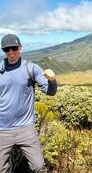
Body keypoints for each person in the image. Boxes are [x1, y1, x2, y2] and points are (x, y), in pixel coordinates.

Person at [0, 34, 57, 173]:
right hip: (2, 129)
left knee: (38, 167)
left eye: (14, 48)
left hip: (26, 128)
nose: (11, 52)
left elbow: (50, 92)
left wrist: (52, 80)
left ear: (20, 47)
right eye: (7, 49)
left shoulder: (31, 68)